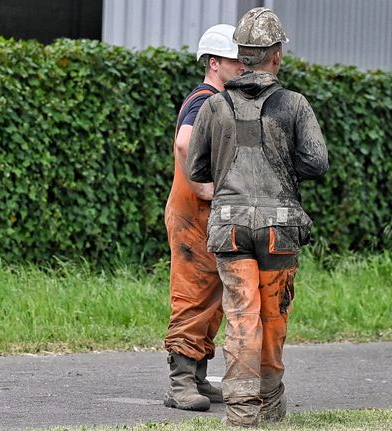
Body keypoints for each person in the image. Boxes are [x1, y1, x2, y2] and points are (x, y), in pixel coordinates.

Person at [186, 7, 329, 427]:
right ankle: (269, 403)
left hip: (229, 227)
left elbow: (196, 169)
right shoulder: (294, 104)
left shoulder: (215, 107)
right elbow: (317, 163)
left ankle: (242, 411)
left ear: (241, 54)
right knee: (272, 316)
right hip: (279, 228)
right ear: (276, 54)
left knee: (241, 315)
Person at [163, 23, 244, 412]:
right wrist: (199, 187)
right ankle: (180, 384)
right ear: (214, 63)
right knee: (192, 295)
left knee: (212, 297)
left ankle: (197, 377)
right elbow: (183, 142)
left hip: (205, 215)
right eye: (234, 59)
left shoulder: (220, 100)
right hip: (191, 213)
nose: (242, 66)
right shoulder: (204, 99)